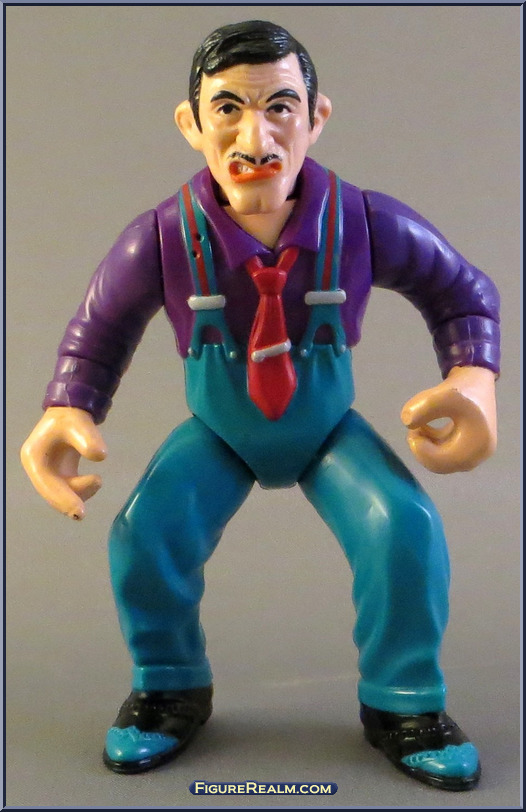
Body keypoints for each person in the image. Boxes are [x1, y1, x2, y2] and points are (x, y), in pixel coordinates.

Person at [20, 20, 500, 790]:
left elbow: (462, 291)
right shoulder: (162, 238)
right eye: (228, 109)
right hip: (220, 431)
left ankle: (404, 699)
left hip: (326, 431)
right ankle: (168, 685)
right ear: (191, 124)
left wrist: (474, 376)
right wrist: (67, 407)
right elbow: (98, 330)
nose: (256, 138)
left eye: (280, 107)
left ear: (317, 118)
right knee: (147, 533)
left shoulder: (362, 222)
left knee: (402, 527)